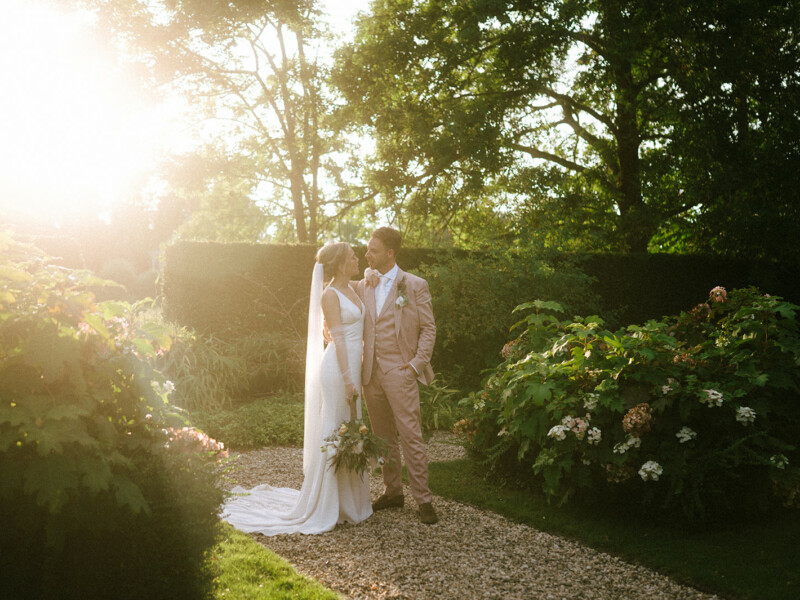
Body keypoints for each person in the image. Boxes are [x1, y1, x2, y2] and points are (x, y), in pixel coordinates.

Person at [221, 242, 372, 535]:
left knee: (353, 428)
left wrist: (370, 275)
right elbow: (338, 339)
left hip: (352, 366)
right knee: (335, 428)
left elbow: (367, 279)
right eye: (352, 257)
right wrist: (348, 379)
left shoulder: (353, 288)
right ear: (340, 265)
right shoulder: (329, 295)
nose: (357, 259)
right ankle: (326, 503)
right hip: (338, 369)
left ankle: (350, 503)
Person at [356, 227, 439, 524]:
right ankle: (393, 492)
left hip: (400, 370)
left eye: (373, 250)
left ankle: (424, 499)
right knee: (382, 438)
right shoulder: (363, 285)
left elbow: (428, 328)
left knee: (410, 436)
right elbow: (336, 294)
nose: (367, 255)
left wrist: (417, 364)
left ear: (390, 253)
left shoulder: (413, 285)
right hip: (371, 374)